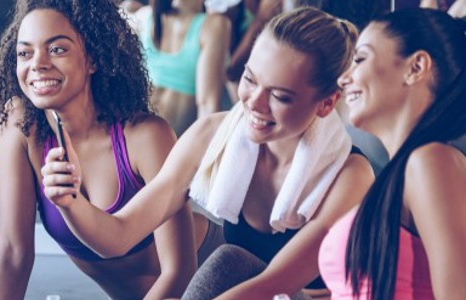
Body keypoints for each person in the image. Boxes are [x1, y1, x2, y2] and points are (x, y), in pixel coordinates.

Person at [42, 7, 376, 299]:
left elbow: (276, 283)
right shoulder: (211, 135)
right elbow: (118, 237)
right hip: (246, 292)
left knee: (227, 261)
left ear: (327, 103)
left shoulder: (350, 175)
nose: (254, 103)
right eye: (250, 78)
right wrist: (70, 201)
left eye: (280, 95)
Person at [0, 0, 197, 298]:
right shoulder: (19, 128)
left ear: (93, 59)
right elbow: (12, 251)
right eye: (24, 52)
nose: (38, 63)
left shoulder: (146, 136)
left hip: (210, 284)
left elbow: (179, 271)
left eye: (57, 49)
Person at [326, 8, 466, 300]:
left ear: (416, 68)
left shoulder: (430, 161)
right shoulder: (410, 169)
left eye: (361, 59)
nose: (343, 79)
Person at [131, 0, 230, 135]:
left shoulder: (144, 16)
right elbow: (207, 106)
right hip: (144, 138)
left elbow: (207, 107)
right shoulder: (214, 25)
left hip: (144, 138)